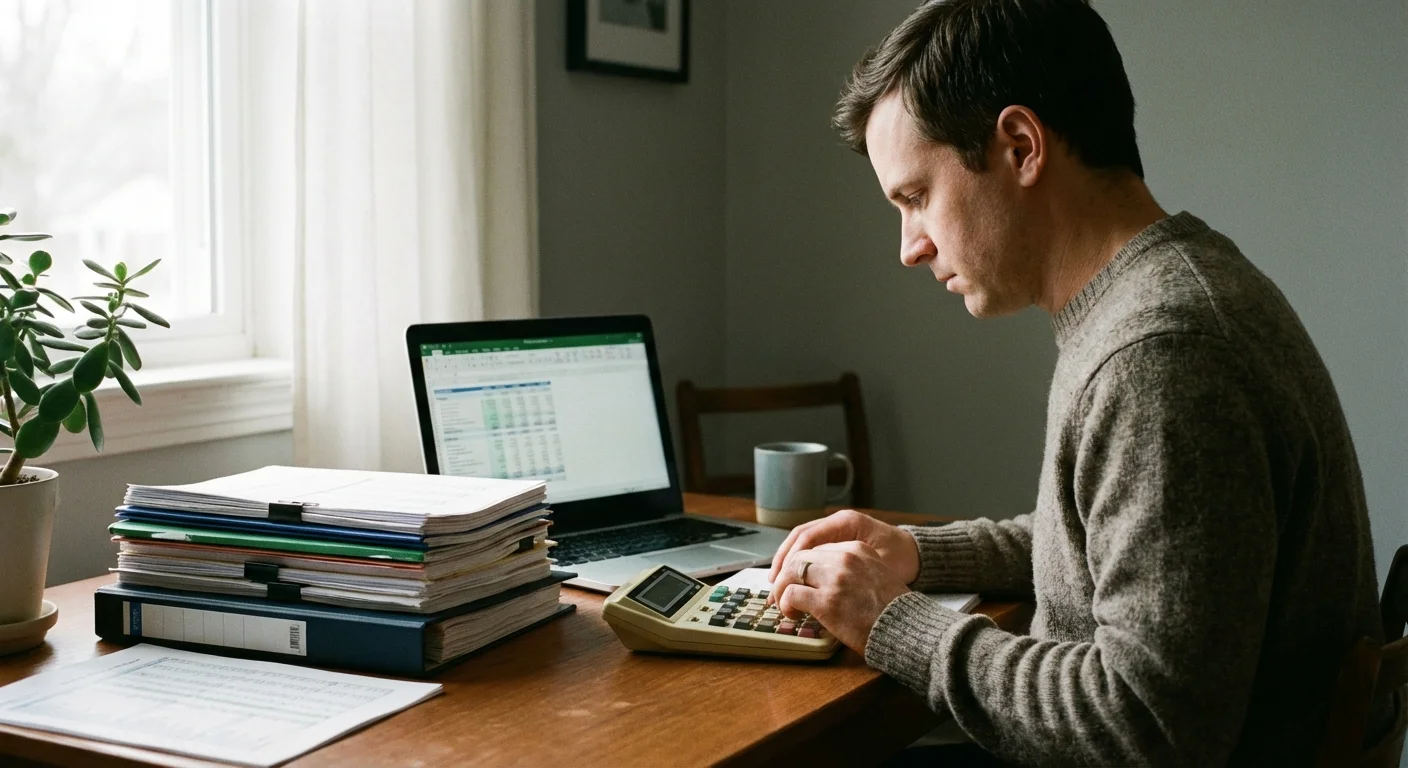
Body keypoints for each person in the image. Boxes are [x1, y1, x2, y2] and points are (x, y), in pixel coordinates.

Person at [764, 1, 1388, 765]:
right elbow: (1106, 545)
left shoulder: (1161, 354)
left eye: (916, 196)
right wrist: (918, 555)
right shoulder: (1168, 292)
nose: (910, 247)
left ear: (1022, 147)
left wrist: (894, 623)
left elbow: (1147, 725)